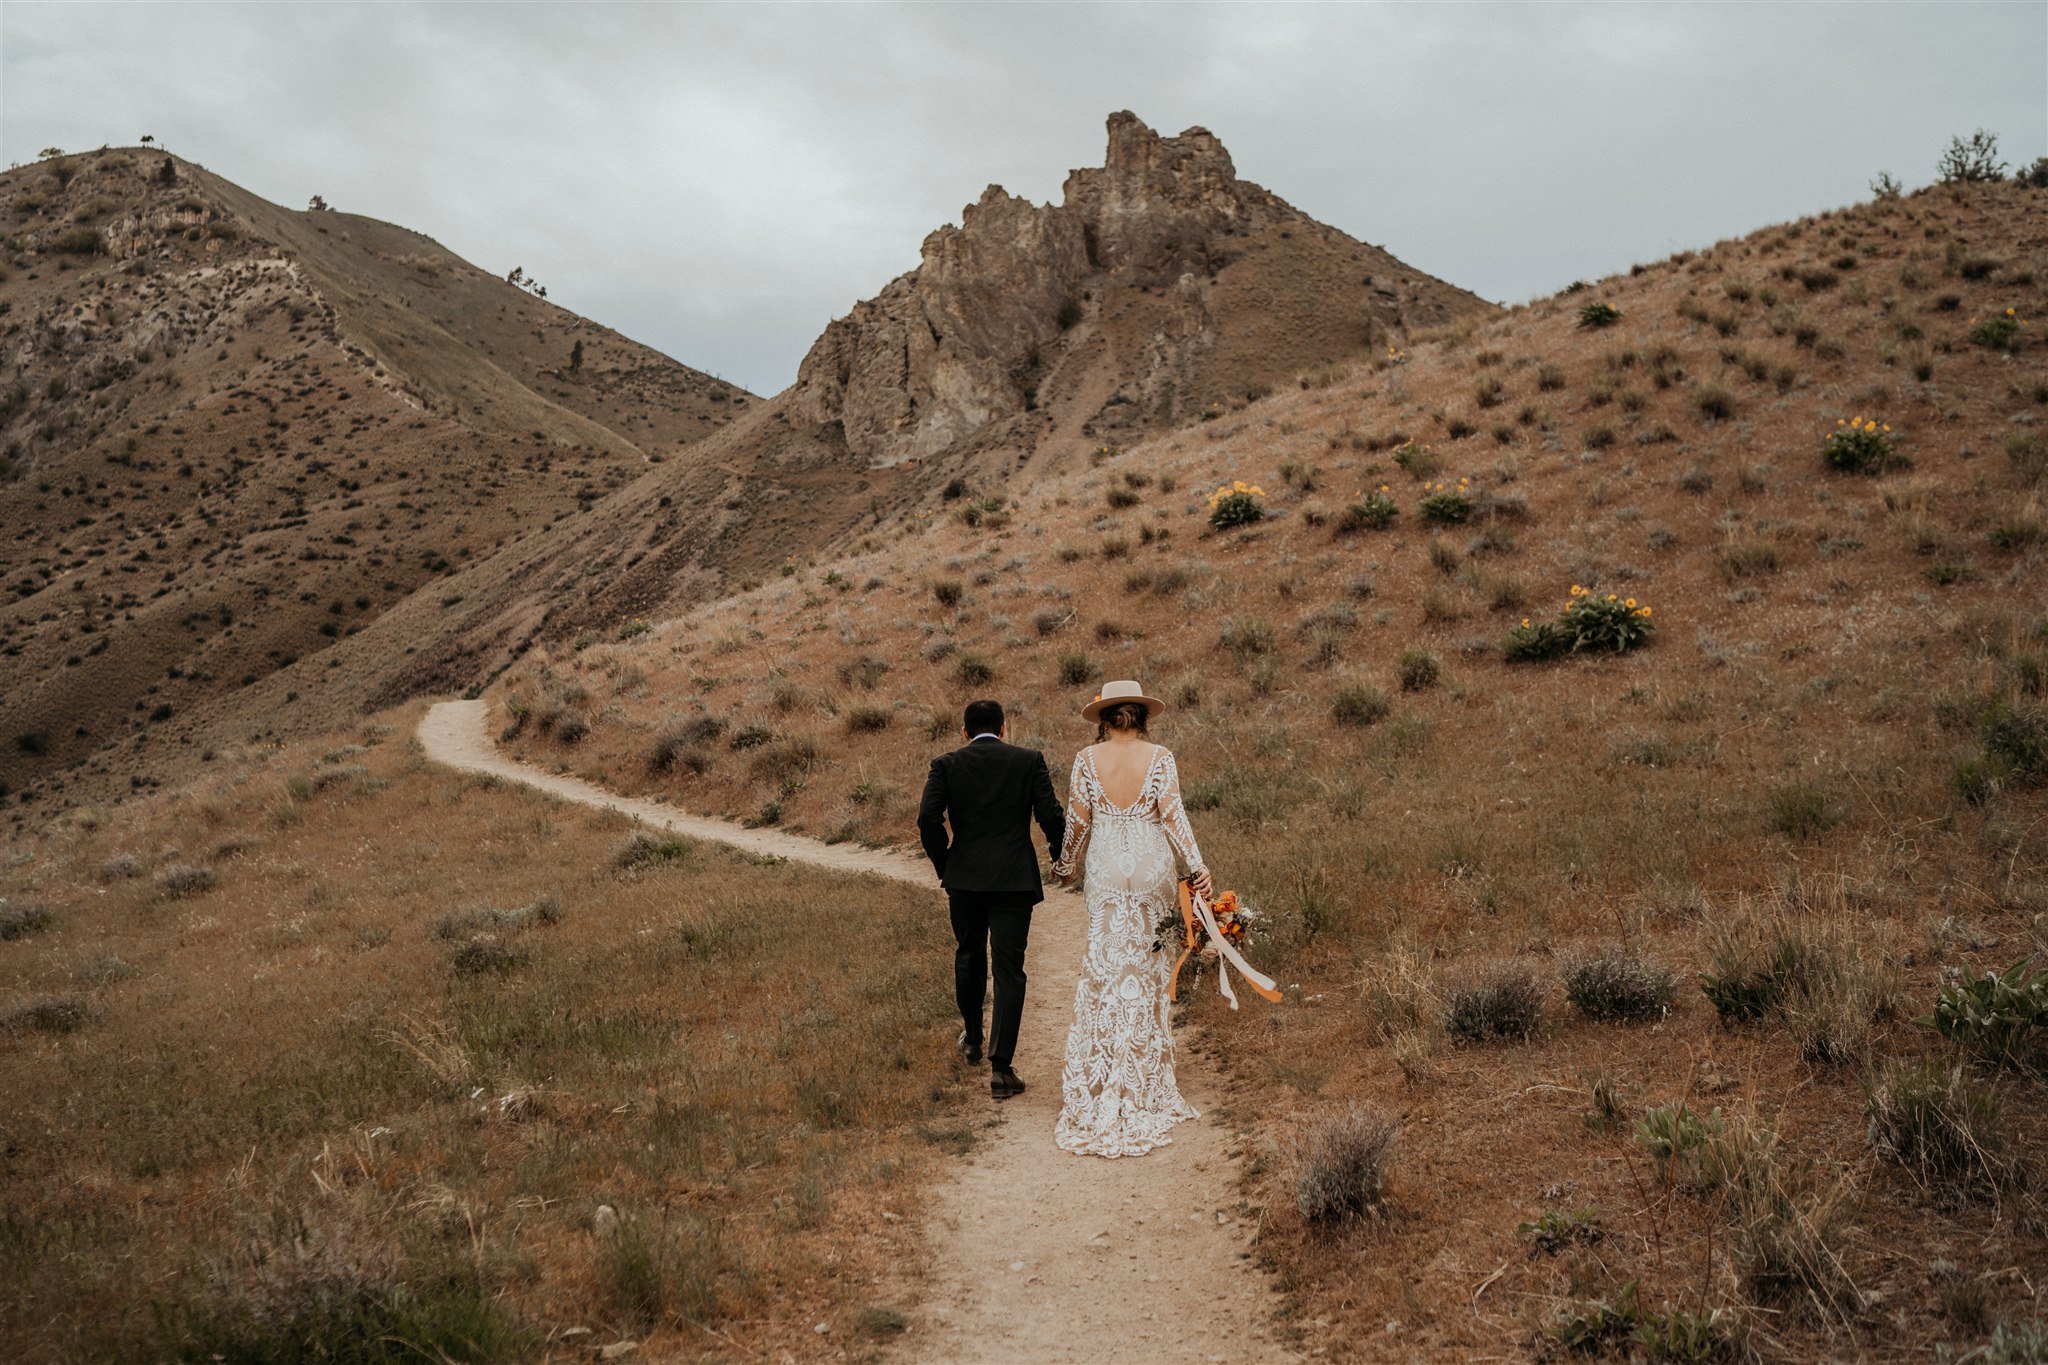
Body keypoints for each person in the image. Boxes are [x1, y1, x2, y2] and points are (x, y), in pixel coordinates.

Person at [1049, 680, 1213, 1157]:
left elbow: (1078, 821)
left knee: (1105, 964)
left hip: (1104, 866)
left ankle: (1104, 1074)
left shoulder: (1086, 759)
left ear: (1104, 719)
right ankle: (1142, 1075)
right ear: (1142, 717)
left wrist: (1065, 864)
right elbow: (1173, 816)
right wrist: (1197, 868)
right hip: (1149, 864)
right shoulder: (1160, 758)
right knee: (1146, 968)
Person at [917, 699, 1065, 1099]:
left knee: (968, 954)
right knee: (1009, 968)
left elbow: (927, 819)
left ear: (965, 732)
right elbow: (1050, 814)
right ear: (1004, 728)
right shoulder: (1028, 759)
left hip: (964, 877)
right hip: (1014, 878)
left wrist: (945, 863)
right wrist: (1058, 853)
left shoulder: (945, 764)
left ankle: (973, 1040)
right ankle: (1001, 1068)